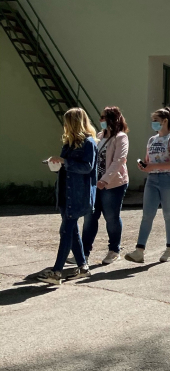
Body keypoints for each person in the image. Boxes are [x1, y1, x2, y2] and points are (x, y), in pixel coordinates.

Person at [38, 108, 97, 285]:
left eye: (67, 122)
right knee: (72, 231)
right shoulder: (69, 143)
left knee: (66, 231)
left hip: (78, 194)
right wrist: (56, 163)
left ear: (74, 123)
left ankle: (57, 272)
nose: (65, 126)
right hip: (65, 193)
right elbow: (66, 167)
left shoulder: (89, 143)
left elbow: (87, 167)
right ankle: (83, 267)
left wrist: (65, 161)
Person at [125, 107, 170, 264]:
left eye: (156, 120)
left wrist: (153, 167)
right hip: (152, 180)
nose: (153, 123)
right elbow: (148, 160)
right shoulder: (152, 140)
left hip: (169, 180)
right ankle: (139, 251)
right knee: (147, 215)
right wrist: (144, 166)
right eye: (152, 121)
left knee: (168, 214)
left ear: (165, 121)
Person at [82, 106, 129, 265]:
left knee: (111, 217)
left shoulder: (121, 137)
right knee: (90, 217)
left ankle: (114, 251)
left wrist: (105, 180)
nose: (100, 120)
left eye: (103, 117)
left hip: (113, 184)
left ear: (111, 119)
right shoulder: (100, 136)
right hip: (95, 184)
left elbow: (119, 160)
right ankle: (83, 253)